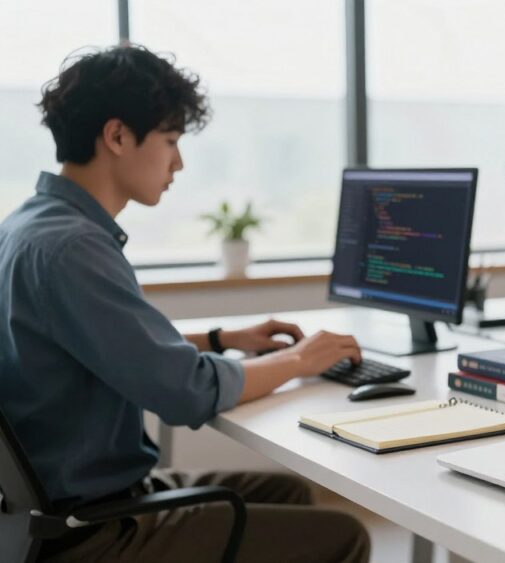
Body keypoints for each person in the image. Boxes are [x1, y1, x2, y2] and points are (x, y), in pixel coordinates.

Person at [0, 45, 369, 562]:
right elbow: (186, 392)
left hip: (54, 515)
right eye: (170, 140)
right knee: (345, 536)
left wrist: (223, 340)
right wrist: (300, 360)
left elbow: (104, 344)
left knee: (290, 494)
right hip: (91, 531)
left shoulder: (31, 226)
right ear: (118, 136)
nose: (179, 162)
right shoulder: (71, 248)